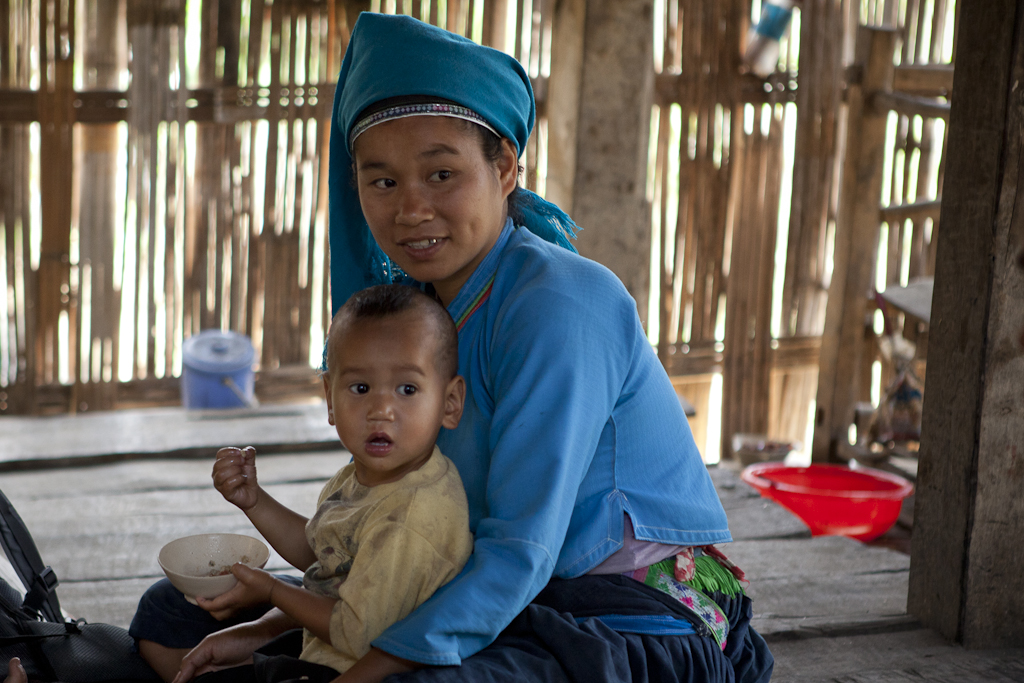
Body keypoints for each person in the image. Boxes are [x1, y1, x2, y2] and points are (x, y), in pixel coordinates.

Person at [144, 11, 774, 683]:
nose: (411, 208)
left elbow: (520, 550)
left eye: (441, 174)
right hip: (492, 588)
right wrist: (282, 618)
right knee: (173, 616)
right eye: (382, 181)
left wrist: (365, 666)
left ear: (503, 165)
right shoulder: (424, 310)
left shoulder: (561, 305)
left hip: (626, 614)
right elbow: (419, 524)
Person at [133, 285, 473, 682]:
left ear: (449, 402)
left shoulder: (413, 514)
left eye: (407, 389)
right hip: (318, 638)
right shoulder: (366, 474)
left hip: (350, 667)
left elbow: (356, 634)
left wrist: (273, 591)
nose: (381, 410)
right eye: (361, 389)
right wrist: (254, 501)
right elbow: (320, 552)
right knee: (160, 614)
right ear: (330, 398)